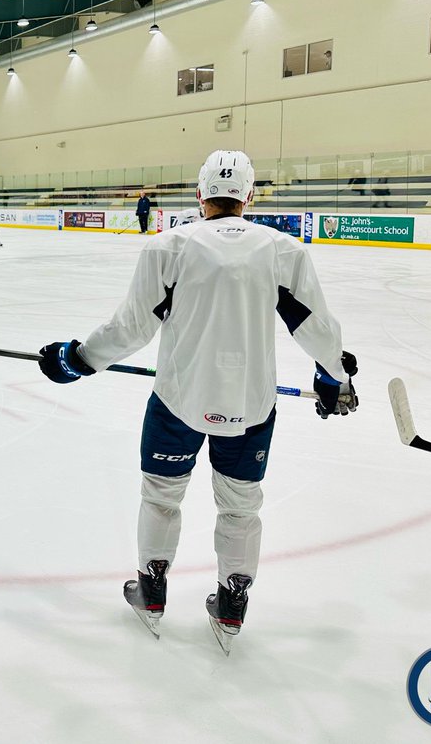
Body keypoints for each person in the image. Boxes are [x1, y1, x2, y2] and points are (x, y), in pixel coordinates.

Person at [36, 151, 357, 654]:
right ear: (249, 196)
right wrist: (334, 375)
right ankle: (232, 602)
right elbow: (317, 328)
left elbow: (132, 327)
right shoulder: (283, 249)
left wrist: (78, 358)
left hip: (178, 401)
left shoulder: (170, 245)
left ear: (200, 193)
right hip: (251, 406)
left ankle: (152, 590)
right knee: (241, 508)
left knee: (161, 496)